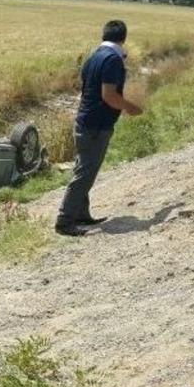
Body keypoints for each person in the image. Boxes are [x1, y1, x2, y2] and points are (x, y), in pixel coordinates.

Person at [55, 19, 143, 236]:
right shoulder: (112, 60)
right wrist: (130, 108)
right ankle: (64, 221)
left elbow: (86, 88)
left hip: (84, 121)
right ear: (123, 38)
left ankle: (81, 214)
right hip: (96, 125)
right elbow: (109, 96)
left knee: (84, 168)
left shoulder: (93, 57)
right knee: (85, 173)